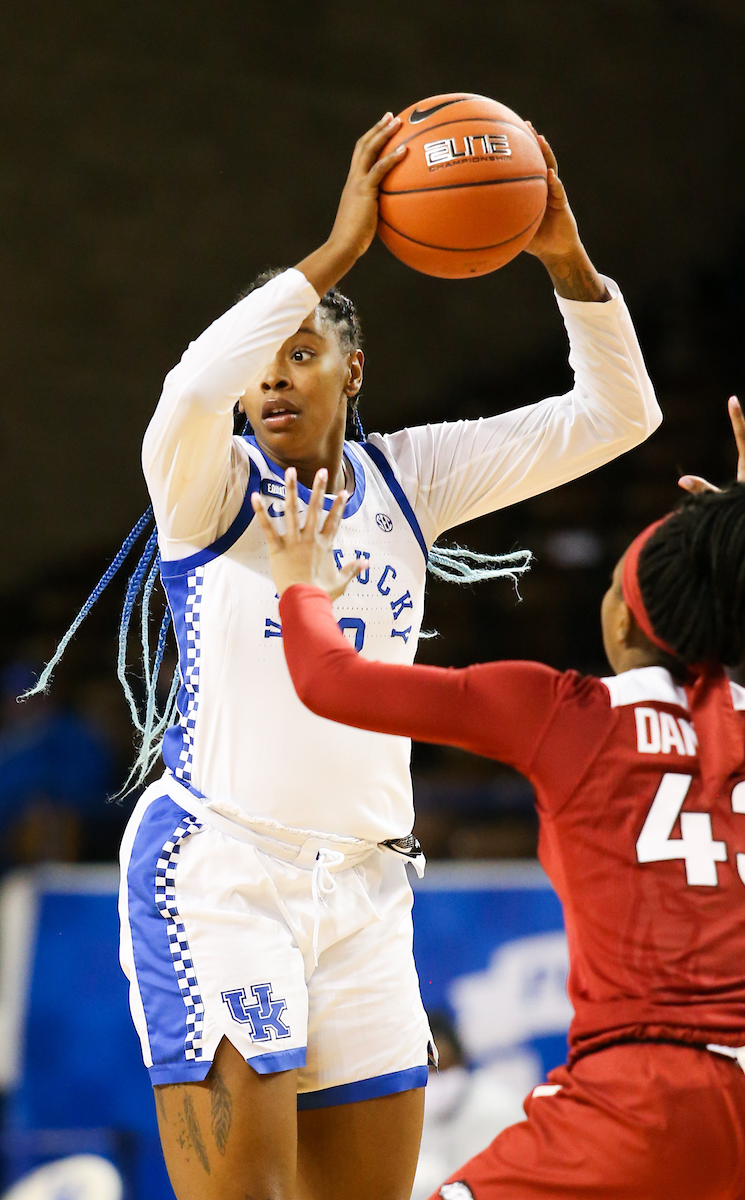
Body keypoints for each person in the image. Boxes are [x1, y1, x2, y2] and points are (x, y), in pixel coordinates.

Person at [116, 111, 661, 1200]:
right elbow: (187, 389)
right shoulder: (207, 488)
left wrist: (564, 263)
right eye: (262, 364)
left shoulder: (413, 483)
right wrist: (335, 251)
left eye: (304, 353)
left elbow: (618, 414)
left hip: (366, 887)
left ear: (352, 371)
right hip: (223, 871)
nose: (273, 381)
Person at [251, 400, 745, 1200]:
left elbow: (325, 679)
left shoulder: (565, 713)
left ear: (622, 619)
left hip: (644, 1099)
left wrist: (297, 580)